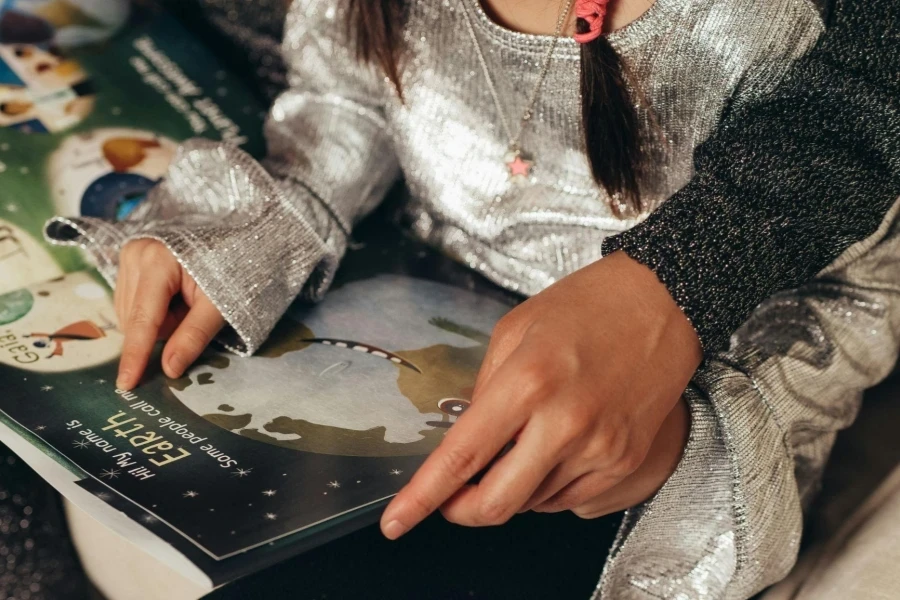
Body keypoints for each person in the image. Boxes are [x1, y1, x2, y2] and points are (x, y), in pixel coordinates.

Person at [41, 0, 900, 599]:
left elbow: (850, 296)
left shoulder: (781, 38)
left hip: (625, 471)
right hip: (401, 375)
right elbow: (344, 103)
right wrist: (239, 233)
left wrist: (678, 446)